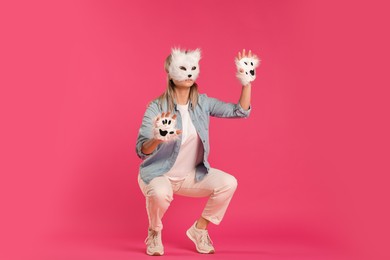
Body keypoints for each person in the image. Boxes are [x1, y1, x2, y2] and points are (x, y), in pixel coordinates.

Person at [136, 47, 260, 256]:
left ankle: (199, 229)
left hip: (190, 176)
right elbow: (142, 149)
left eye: (192, 68)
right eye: (183, 69)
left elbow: (239, 111)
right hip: (158, 174)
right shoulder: (156, 107)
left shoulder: (203, 103)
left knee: (228, 183)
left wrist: (246, 81)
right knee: (159, 193)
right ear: (171, 73)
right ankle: (154, 232)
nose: (189, 73)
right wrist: (157, 138)